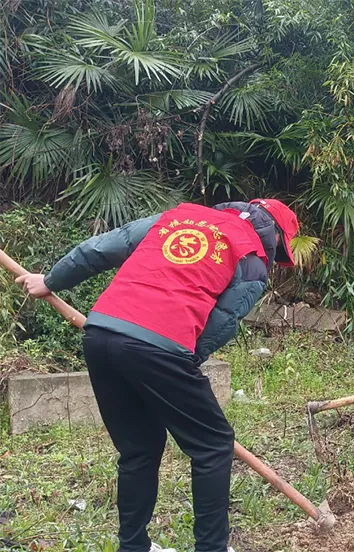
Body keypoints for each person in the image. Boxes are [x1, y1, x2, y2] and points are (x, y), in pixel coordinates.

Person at [15, 199, 299, 552]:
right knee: (212, 445)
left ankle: (133, 546)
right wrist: (188, 359)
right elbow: (223, 322)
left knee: (139, 447)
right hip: (160, 345)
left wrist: (51, 280)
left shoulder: (177, 217)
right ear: (275, 236)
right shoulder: (252, 259)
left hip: (101, 333)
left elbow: (102, 247)